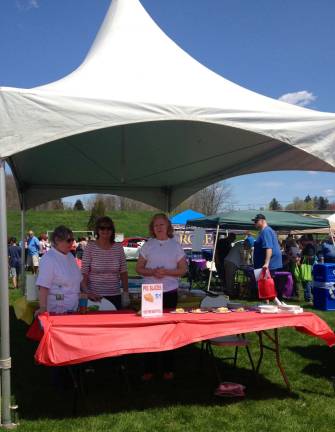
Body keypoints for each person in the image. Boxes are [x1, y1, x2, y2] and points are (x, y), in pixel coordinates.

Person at [136, 213, 187, 380]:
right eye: (156, 225)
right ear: (152, 228)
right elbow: (139, 268)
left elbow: (183, 269)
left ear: (168, 227)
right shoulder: (147, 245)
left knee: (169, 329)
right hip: (151, 291)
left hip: (170, 291)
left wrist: (167, 272)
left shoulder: (175, 246)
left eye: (162, 225)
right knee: (150, 330)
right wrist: (152, 272)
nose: (159, 227)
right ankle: (148, 369)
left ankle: (168, 368)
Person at [81, 216, 129, 310]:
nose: (105, 230)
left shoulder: (118, 247)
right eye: (102, 228)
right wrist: (87, 292)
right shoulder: (90, 247)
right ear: (97, 230)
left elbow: (123, 272)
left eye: (109, 228)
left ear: (112, 230)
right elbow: (84, 273)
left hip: (115, 295)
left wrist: (125, 293)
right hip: (95, 297)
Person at [36, 226, 82, 314]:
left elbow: (79, 279)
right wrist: (43, 307)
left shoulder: (70, 256)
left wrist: (88, 292)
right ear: (57, 240)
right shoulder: (48, 259)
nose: (72, 243)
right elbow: (43, 286)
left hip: (73, 308)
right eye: (69, 240)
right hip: (57, 311)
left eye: (73, 240)